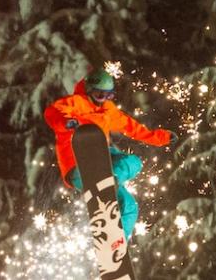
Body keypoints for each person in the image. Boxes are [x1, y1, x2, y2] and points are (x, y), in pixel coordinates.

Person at [44, 68, 177, 239]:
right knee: (121, 176)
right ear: (89, 91)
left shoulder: (108, 111)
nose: (104, 100)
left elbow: (133, 128)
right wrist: (67, 122)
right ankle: (107, 181)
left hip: (103, 160)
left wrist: (161, 138)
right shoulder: (75, 103)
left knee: (130, 200)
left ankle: (119, 243)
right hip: (78, 164)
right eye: (100, 95)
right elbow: (52, 113)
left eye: (109, 95)